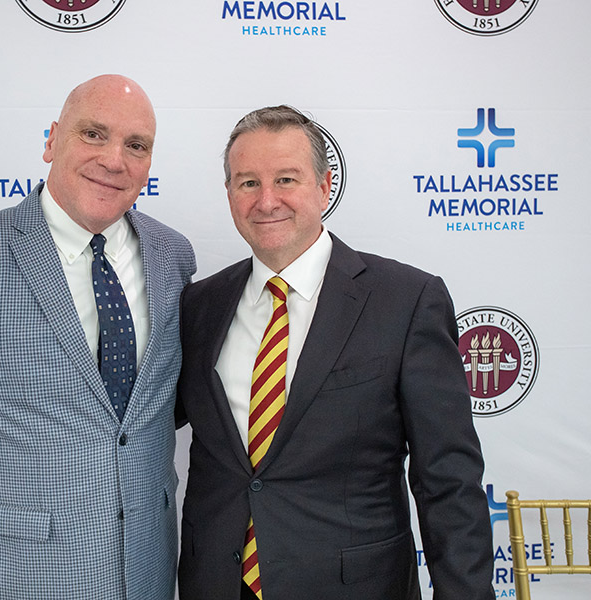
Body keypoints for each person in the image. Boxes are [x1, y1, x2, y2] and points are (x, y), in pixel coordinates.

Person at [0, 74, 196, 600]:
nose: (113, 159)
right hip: (7, 572)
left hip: (145, 567)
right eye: (93, 134)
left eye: (135, 145)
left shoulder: (173, 257)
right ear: (52, 140)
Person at [175, 105, 493, 600]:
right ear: (230, 193)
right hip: (217, 583)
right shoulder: (199, 305)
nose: (266, 200)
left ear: (325, 187)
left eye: (286, 179)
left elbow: (447, 480)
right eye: (247, 183)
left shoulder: (406, 300)